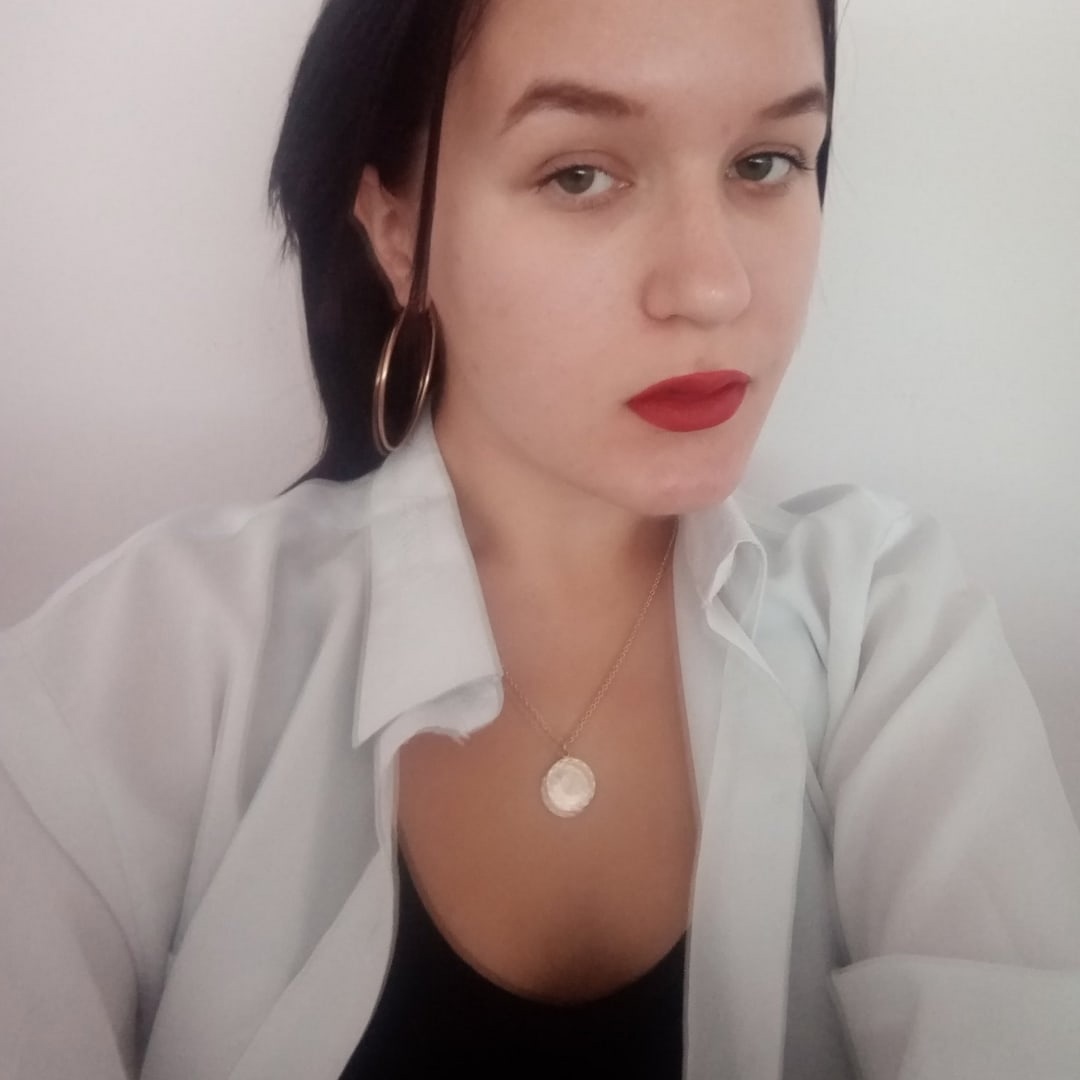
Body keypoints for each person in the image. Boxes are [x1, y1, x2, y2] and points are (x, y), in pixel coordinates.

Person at [2, 0, 1079, 1077]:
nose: (715, 286)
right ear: (396, 230)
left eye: (765, 162)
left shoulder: (887, 636)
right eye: (580, 174)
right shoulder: (139, 668)